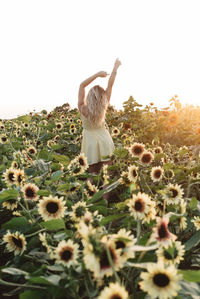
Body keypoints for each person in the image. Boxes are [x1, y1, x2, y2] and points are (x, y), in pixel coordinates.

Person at [78, 58, 121, 183]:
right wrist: (115, 67)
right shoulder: (104, 105)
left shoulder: (82, 108)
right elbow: (110, 84)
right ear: (102, 98)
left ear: (89, 96)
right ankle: (105, 202)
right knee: (107, 176)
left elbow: (82, 85)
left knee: (93, 175)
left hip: (90, 142)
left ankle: (92, 201)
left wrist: (97, 75)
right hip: (104, 139)